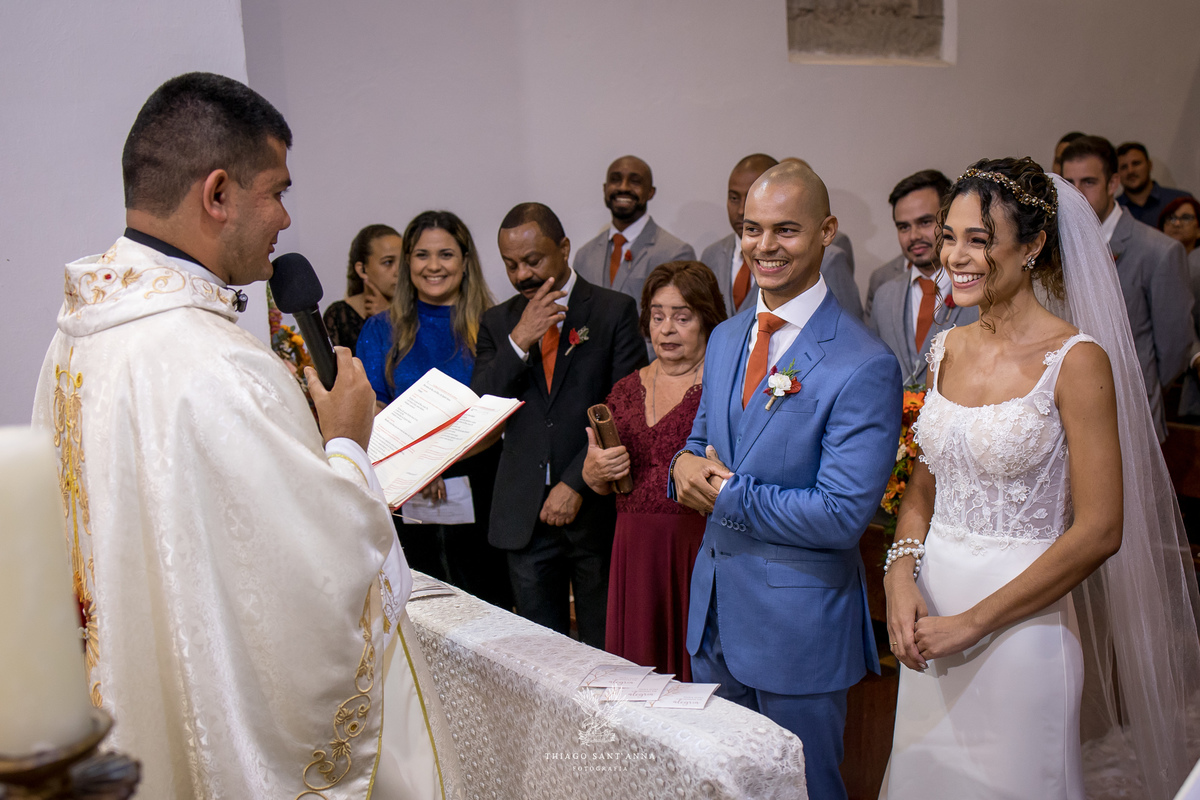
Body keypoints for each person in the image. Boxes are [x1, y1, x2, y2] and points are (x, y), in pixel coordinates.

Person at [31, 72, 457, 799]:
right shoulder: (216, 365)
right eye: (277, 191)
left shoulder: (78, 338)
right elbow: (315, 586)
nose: (286, 219)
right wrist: (347, 446)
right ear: (218, 194)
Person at [882, 158, 1200, 800]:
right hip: (929, 618)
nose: (955, 257)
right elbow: (923, 485)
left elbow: (1101, 530)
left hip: (1020, 630)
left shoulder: (1075, 361)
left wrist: (973, 623)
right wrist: (899, 576)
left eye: (979, 239)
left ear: (1032, 247)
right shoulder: (945, 349)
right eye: (950, 237)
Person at [669, 162, 902, 800]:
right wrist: (680, 466)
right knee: (722, 787)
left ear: (826, 231)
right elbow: (700, 444)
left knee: (804, 790)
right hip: (715, 617)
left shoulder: (863, 363)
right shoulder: (726, 337)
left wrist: (723, 492)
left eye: (786, 230)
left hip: (798, 628)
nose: (764, 245)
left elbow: (840, 516)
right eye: (752, 228)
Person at [472, 202, 648, 648]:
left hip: (595, 511)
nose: (522, 274)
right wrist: (520, 340)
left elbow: (625, 410)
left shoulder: (612, 311)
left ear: (564, 248)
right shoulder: (499, 323)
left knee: (604, 649)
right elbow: (482, 406)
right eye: (511, 264)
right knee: (539, 656)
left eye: (533, 260)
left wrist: (575, 484)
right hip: (524, 517)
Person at [357, 210, 512, 609]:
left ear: (465, 260)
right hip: (407, 487)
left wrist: (437, 461)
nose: (433, 266)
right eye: (422, 255)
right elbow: (373, 405)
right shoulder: (380, 328)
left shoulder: (494, 325)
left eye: (446, 254)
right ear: (408, 261)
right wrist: (421, 466)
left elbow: (499, 410)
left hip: (482, 482)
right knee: (420, 605)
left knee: (486, 602)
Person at [582, 261, 726, 680]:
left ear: (707, 321)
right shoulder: (625, 389)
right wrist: (594, 471)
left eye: (682, 317)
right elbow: (598, 482)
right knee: (637, 680)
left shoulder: (723, 388)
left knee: (696, 681)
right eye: (658, 317)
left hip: (697, 551)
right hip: (633, 555)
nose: (667, 330)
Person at [1061, 135, 1196, 441]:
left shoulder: (1158, 251)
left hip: (1133, 413)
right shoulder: (1058, 247)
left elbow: (1175, 347)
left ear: (1113, 184)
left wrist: (1141, 386)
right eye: (1069, 183)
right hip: (1071, 414)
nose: (1077, 194)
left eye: (1088, 182)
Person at [870, 170, 977, 383]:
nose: (914, 236)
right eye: (904, 227)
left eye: (925, 222)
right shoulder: (884, 295)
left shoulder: (980, 291)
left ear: (949, 220)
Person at [572, 155, 695, 315]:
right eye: (615, 180)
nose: (623, 187)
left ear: (650, 192)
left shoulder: (676, 254)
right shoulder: (584, 255)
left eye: (635, 181)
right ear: (605, 188)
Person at [701, 153, 779, 316]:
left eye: (752, 197)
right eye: (734, 198)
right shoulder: (711, 255)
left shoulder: (817, 259)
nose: (741, 210)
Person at [321, 224, 402, 355]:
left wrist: (387, 318)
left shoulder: (417, 310)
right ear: (362, 270)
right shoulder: (338, 315)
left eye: (403, 262)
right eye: (388, 262)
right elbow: (328, 366)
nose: (399, 271)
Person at [1116, 141, 1194, 227]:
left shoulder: (1181, 200)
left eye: (1136, 163)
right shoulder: (1113, 210)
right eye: (1123, 167)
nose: (1130, 171)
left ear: (1149, 165)